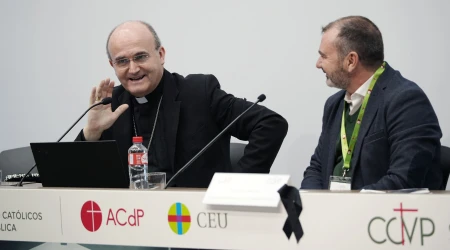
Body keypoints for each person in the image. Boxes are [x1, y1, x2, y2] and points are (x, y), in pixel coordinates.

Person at [75, 20, 288, 188]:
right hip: (132, 221)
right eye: (122, 61)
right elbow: (75, 178)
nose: (133, 69)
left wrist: (235, 187)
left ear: (161, 55)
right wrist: (91, 133)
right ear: (112, 65)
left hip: (193, 220)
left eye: (140, 56)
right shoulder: (111, 103)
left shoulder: (198, 92)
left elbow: (271, 124)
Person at [300, 16, 442, 190]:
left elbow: (403, 180)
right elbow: (316, 168)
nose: (318, 64)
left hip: (378, 215)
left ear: (351, 61)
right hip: (331, 212)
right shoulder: (334, 104)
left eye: (324, 56)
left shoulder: (406, 100)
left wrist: (348, 208)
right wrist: (311, 205)